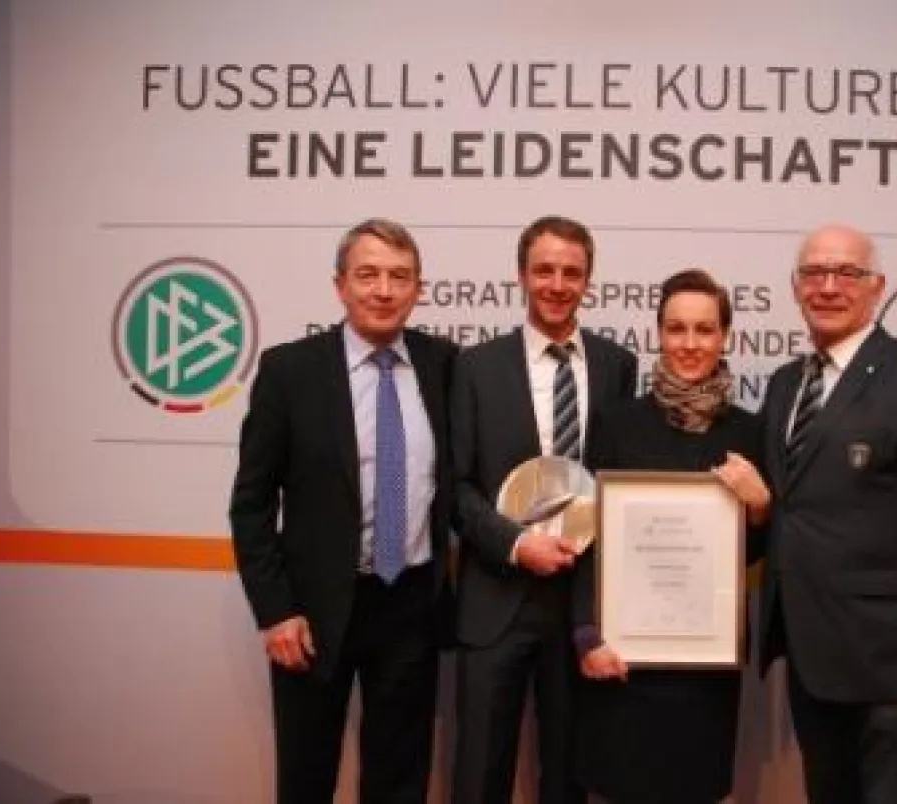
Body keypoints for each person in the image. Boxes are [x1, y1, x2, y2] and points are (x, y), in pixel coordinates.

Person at [229, 219, 457, 803]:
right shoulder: (289, 371)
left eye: (399, 277)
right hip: (313, 613)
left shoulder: (447, 366)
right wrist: (275, 610)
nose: (383, 290)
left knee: (399, 779)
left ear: (418, 288)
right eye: (368, 274)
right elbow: (251, 504)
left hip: (409, 602)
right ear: (340, 286)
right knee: (306, 776)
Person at [759, 224, 897, 804]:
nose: (828, 287)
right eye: (814, 273)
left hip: (894, 661)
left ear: (877, 287)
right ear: (795, 286)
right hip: (812, 658)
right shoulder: (786, 385)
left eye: (847, 274)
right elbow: (793, 506)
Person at [451, 215, 637, 804]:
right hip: (495, 601)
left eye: (572, 272)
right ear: (521, 276)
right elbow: (456, 487)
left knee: (569, 778)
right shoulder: (475, 368)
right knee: (480, 774)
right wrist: (514, 544)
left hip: (580, 610)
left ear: (589, 281)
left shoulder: (617, 366)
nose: (557, 284)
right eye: (544, 270)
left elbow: (615, 481)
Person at [569, 268, 771, 804]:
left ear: (726, 336)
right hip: (624, 658)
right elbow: (587, 535)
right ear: (658, 333)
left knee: (698, 788)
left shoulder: (750, 432)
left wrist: (760, 506)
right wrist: (586, 632)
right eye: (677, 329)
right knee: (622, 786)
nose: (689, 344)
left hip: (705, 658)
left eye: (704, 330)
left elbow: (755, 551)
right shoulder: (618, 424)